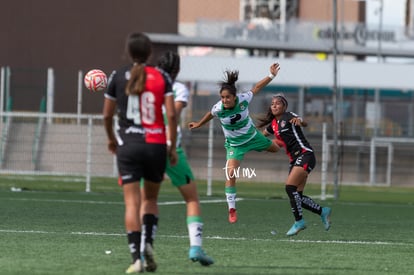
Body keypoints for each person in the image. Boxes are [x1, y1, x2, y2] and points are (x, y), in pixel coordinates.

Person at [103, 32, 177, 273]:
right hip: (155, 145)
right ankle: (148, 243)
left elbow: (106, 115)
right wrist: (172, 146)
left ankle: (136, 257)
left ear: (128, 52)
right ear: (149, 53)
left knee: (132, 204)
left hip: (129, 146)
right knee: (151, 200)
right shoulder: (162, 76)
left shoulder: (117, 76)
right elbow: (172, 115)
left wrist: (112, 139)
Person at [188, 63, 281, 223]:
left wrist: (271, 75)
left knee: (276, 149)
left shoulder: (243, 99)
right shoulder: (219, 108)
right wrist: (199, 124)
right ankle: (232, 209)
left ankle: (277, 137)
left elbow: (257, 87)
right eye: (222, 97)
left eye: (227, 97)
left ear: (234, 97)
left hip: (253, 137)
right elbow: (210, 114)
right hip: (235, 145)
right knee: (230, 174)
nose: (224, 100)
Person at [156, 51, 214, 266]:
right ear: (177, 70)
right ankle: (195, 247)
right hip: (171, 148)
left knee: (145, 201)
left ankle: (142, 252)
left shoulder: (146, 86)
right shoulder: (178, 88)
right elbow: (173, 114)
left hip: (146, 147)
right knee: (191, 199)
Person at [257, 93, 331, 236]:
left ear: (284, 106)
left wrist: (300, 121)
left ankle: (299, 222)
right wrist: (247, 139)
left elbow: (303, 121)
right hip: (295, 160)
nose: (274, 105)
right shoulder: (273, 125)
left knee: (290, 188)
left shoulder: (288, 116)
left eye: (278, 103)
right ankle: (323, 211)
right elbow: (261, 136)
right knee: (297, 197)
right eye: (272, 103)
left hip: (305, 154)